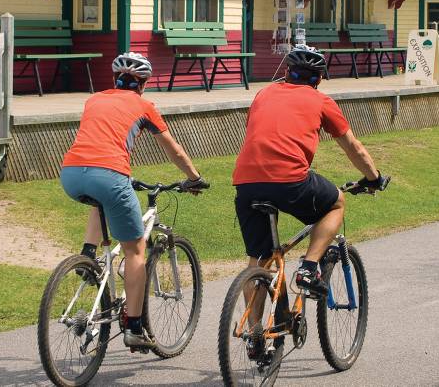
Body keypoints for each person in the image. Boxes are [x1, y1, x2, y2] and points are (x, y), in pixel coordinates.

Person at [59, 51, 204, 350]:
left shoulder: (94, 99)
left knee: (99, 201)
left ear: (115, 79)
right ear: (143, 84)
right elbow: (173, 150)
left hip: (71, 174)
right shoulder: (144, 106)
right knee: (135, 252)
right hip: (110, 174)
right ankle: (135, 327)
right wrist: (193, 177)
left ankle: (88, 258)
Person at [232, 44, 384, 297]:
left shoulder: (263, 94)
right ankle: (308, 268)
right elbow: (353, 147)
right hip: (290, 180)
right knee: (336, 202)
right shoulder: (321, 100)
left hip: (246, 183)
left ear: (287, 71)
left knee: (259, 261)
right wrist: (373, 177)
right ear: (320, 78)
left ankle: (253, 332)